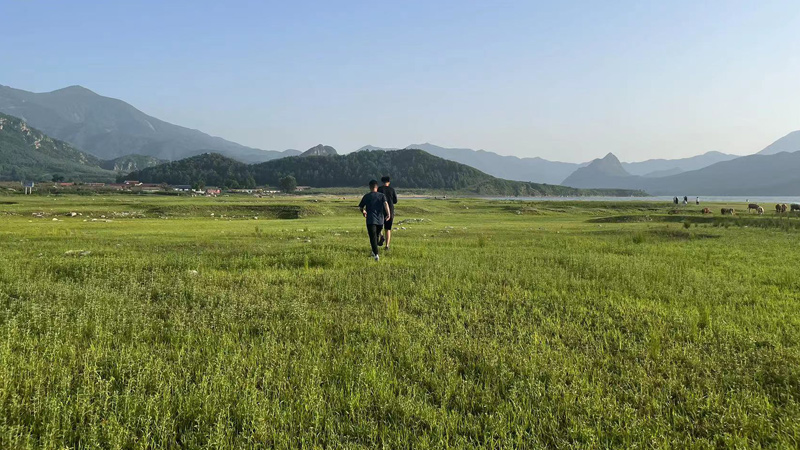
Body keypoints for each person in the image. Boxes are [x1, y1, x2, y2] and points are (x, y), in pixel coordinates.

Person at [358, 180, 391, 261]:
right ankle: (374, 250)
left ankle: (376, 254)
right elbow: (386, 204)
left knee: (372, 237)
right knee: (376, 235)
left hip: (371, 220)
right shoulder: (382, 196)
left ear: (370, 187)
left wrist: (363, 211)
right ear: (377, 187)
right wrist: (388, 214)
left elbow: (361, 207)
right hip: (380, 220)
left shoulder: (367, 196)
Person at [377, 175, 398, 250]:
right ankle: (387, 246)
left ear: (382, 182)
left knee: (379, 226)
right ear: (389, 182)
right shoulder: (392, 190)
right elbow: (395, 201)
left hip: (381, 210)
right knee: (388, 228)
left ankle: (381, 236)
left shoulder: (379, 189)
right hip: (390, 210)